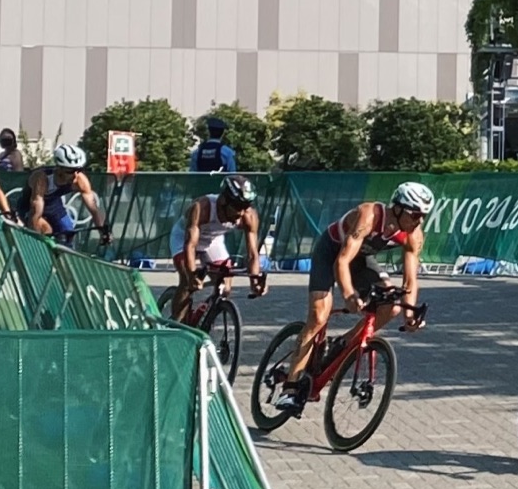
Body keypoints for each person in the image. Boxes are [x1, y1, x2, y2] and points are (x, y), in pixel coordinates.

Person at [278, 181, 433, 412]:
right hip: (331, 252)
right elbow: (341, 261)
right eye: (415, 215)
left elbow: (410, 281)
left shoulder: (414, 235)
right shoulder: (369, 215)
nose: (419, 221)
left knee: (391, 306)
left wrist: (410, 315)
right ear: (398, 209)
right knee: (319, 317)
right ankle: (290, 387)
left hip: (361, 260)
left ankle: (342, 343)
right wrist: (349, 294)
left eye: (423, 216)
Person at [169, 174, 268, 322]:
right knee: (187, 281)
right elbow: (190, 245)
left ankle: (205, 319)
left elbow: (253, 254)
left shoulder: (248, 215)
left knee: (225, 288)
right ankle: (176, 326)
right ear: (223, 200)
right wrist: (191, 275)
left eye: (245, 206)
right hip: (184, 238)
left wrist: (254, 281)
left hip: (213, 240)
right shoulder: (202, 207)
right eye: (236, 206)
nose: (240, 212)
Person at [11, 144, 109, 245]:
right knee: (46, 231)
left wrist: (103, 232)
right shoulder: (42, 178)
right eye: (70, 171)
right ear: (59, 168)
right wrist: (35, 240)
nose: (75, 175)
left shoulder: (79, 180)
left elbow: (94, 209)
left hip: (53, 206)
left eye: (78, 170)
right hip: (29, 207)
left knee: (68, 233)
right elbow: (35, 213)